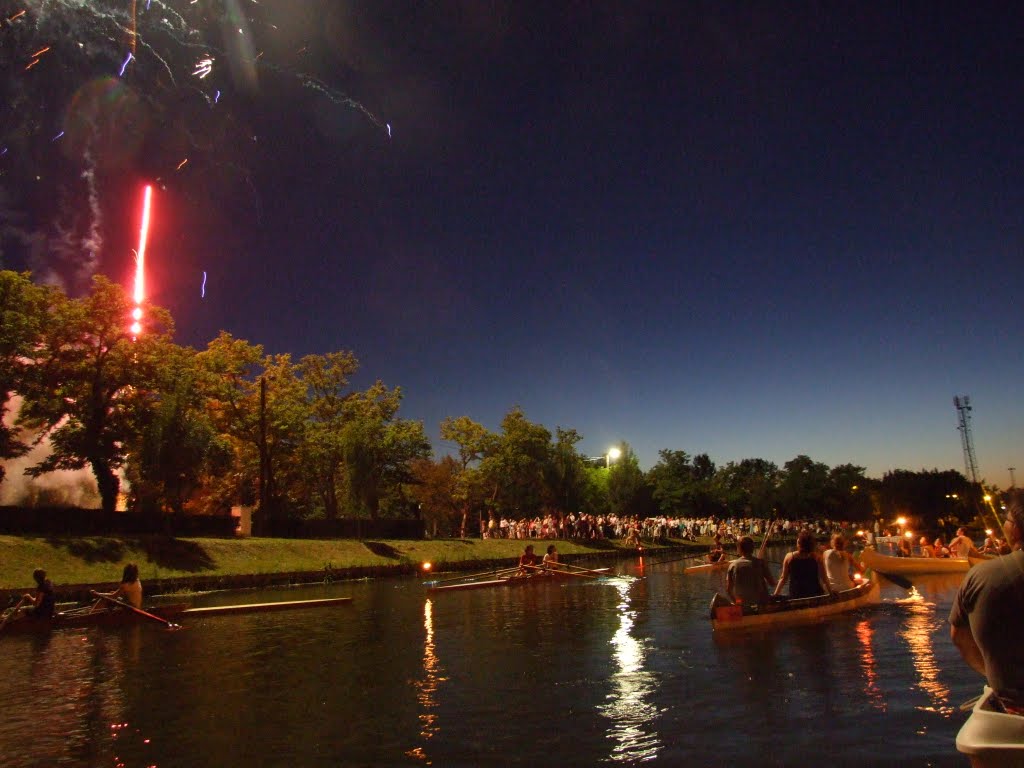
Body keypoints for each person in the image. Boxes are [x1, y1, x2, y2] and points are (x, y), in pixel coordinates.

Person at [949, 490, 1024, 712]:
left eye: (1006, 520)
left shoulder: (980, 576)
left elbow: (959, 637)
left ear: (1015, 529)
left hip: (1014, 707)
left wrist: (993, 674)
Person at [773, 529, 833, 599]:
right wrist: (831, 592)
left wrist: (775, 595)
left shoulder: (789, 557)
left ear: (799, 543)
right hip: (815, 594)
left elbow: (783, 578)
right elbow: (824, 578)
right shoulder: (817, 558)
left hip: (796, 594)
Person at [726, 536, 776, 605]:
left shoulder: (732, 566)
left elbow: (729, 591)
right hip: (761, 603)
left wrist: (738, 603)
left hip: (742, 604)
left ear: (739, 548)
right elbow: (772, 584)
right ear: (752, 548)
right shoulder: (761, 563)